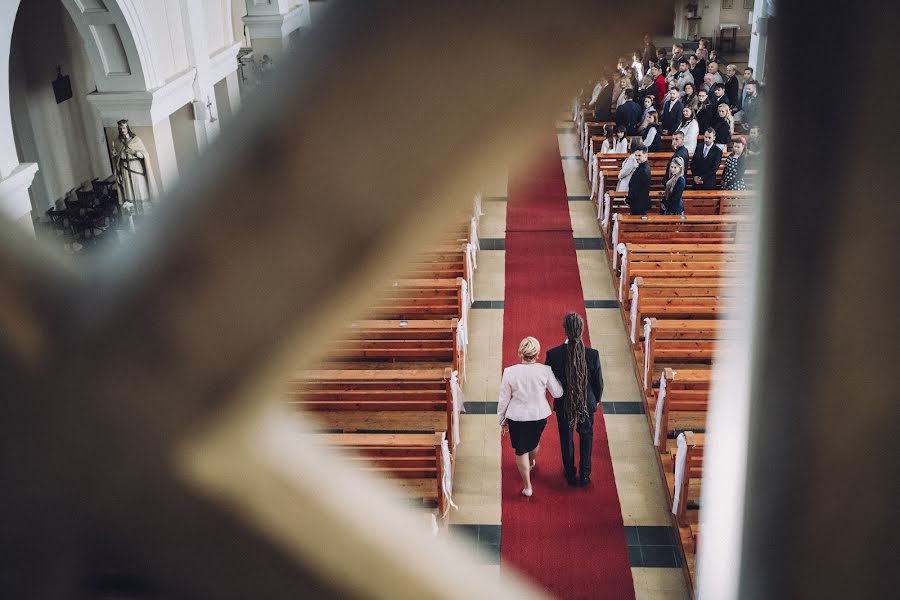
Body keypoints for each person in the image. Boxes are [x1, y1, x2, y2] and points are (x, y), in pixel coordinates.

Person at [498, 336, 563, 497]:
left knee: (521, 450)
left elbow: (503, 399)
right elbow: (557, 392)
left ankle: (528, 487)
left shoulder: (509, 372)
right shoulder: (545, 370)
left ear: (520, 352)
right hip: (539, 416)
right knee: (533, 443)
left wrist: (501, 421)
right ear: (538, 353)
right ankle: (532, 461)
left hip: (517, 417)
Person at [545, 313, 603, 487]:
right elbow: (598, 382)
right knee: (586, 435)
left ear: (565, 329)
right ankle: (585, 474)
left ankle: (570, 473)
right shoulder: (592, 354)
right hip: (586, 402)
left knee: (566, 436)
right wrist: (596, 400)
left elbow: (551, 382)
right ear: (582, 330)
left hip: (564, 403)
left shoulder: (554, 354)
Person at [112, 118, 154, 212]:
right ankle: (133, 213)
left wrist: (134, 152)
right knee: (128, 190)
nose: (122, 130)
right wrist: (118, 173)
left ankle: (145, 213)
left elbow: (145, 155)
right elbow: (116, 159)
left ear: (127, 128)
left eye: (124, 128)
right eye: (120, 128)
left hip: (136, 167)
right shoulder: (116, 142)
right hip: (124, 169)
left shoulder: (136, 140)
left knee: (139, 187)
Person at [625, 143, 651, 214]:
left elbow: (636, 189)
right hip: (638, 202)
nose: (636, 158)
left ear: (645, 155)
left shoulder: (643, 170)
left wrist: (629, 200)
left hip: (638, 204)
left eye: (639, 155)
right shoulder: (642, 167)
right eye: (636, 155)